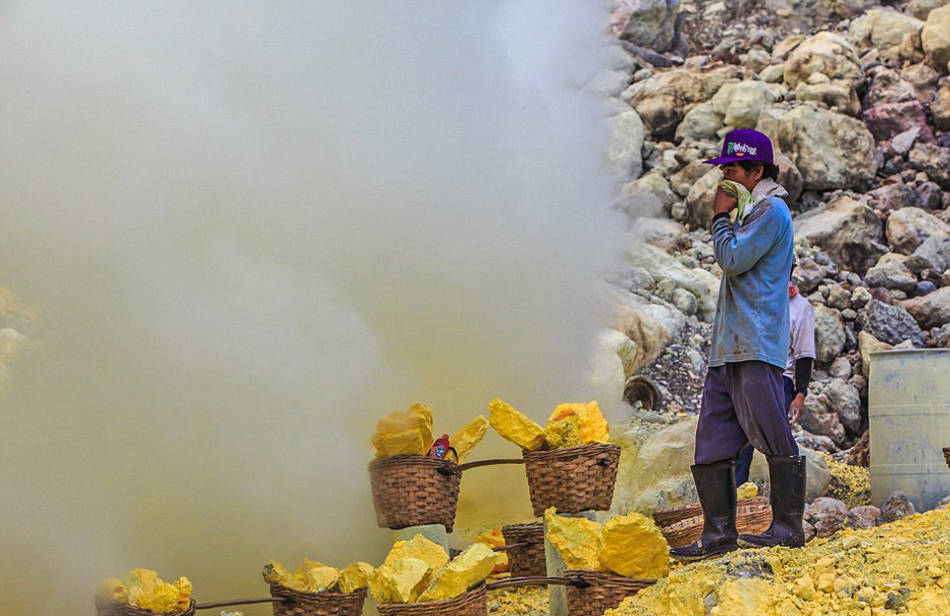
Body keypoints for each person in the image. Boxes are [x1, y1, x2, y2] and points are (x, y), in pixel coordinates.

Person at [669, 129, 804, 561]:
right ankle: (718, 534)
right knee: (711, 441)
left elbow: (732, 259)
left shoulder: (772, 211)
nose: (723, 176)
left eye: (731, 168)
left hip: (756, 345)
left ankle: (787, 526)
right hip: (728, 349)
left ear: (755, 171)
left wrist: (720, 218)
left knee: (772, 432)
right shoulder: (753, 211)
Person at [733, 271, 816, 486]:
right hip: (749, 377)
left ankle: (785, 509)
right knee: (740, 443)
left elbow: (804, 355)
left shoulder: (800, 307)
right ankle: (738, 500)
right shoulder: (756, 299)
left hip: (780, 382)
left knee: (780, 446)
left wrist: (800, 393)